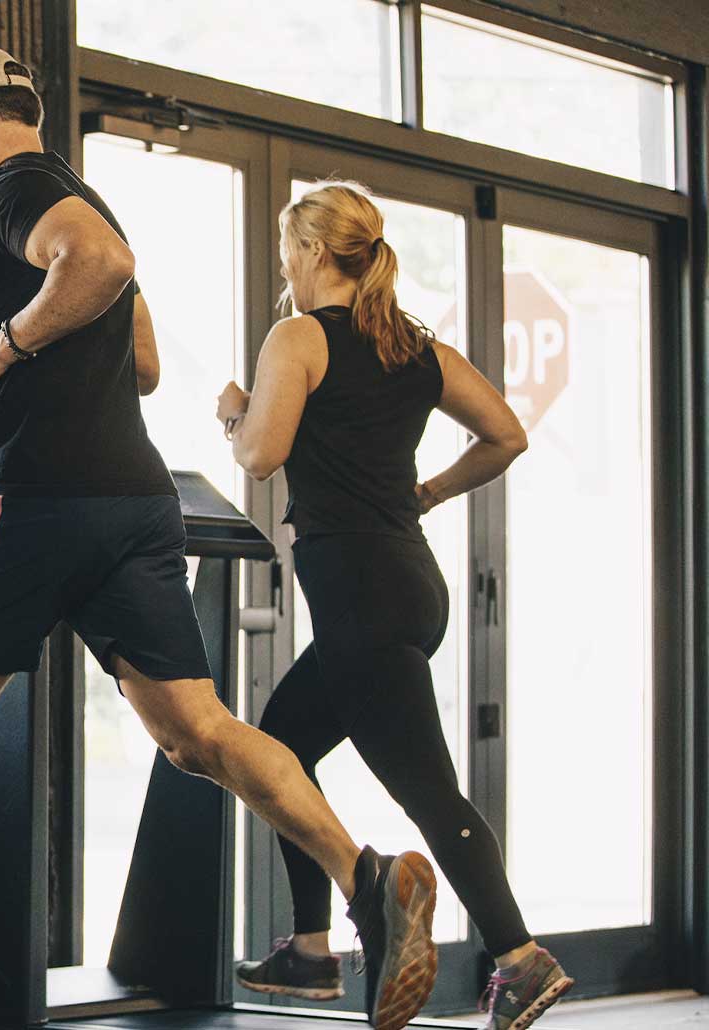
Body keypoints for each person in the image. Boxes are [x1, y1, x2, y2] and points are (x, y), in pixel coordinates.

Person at [0, 44, 439, 1030]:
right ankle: (365, 876)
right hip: (133, 502)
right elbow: (142, 360)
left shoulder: (14, 192)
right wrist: (50, 344)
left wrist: (2, 347)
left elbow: (103, 267)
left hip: (35, 494)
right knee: (197, 733)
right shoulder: (79, 195)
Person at [216, 181, 572, 1030]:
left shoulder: (300, 337)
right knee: (279, 747)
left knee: (428, 792)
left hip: (362, 595)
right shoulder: (415, 348)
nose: (285, 267)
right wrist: (430, 492)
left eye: (287, 251)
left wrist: (233, 414)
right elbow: (507, 436)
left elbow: (260, 456)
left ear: (311, 252)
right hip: (408, 585)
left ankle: (521, 959)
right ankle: (309, 952)